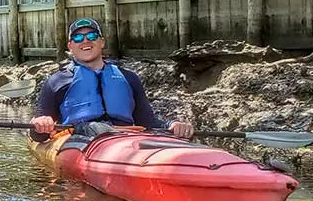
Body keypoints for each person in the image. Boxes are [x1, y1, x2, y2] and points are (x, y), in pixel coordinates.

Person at [29, 17, 192, 142]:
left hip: (125, 137)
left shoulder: (129, 78)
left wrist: (171, 125)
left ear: (102, 42)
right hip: (78, 138)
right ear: (70, 46)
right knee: (95, 128)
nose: (85, 41)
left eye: (92, 35)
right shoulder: (56, 81)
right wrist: (41, 124)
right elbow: (38, 136)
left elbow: (147, 122)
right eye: (78, 38)